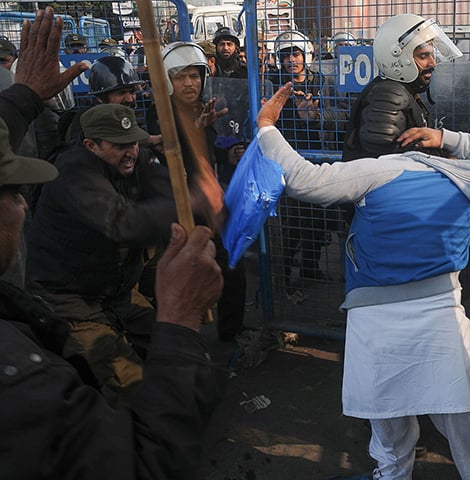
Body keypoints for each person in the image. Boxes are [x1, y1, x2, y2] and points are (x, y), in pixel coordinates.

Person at [259, 81, 470, 480]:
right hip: (443, 314)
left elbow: (302, 178)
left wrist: (267, 126)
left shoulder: (379, 170)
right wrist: (454, 139)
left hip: (374, 319)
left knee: (388, 415)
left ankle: (392, 475)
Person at [0, 9, 226, 479]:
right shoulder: (73, 174)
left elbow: (168, 184)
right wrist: (195, 196)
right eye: (118, 147)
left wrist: (194, 179)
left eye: (135, 145)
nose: (131, 154)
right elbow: (122, 224)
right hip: (72, 304)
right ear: (90, 145)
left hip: (118, 296)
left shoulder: (131, 158)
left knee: (194, 354)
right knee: (131, 385)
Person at [147, 40, 246, 342]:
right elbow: (170, 150)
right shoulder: (160, 115)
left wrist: (227, 155)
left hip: (209, 205)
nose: (189, 83)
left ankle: (230, 334)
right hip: (179, 208)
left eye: (195, 75)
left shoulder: (204, 109)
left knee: (232, 267)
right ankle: (180, 338)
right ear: (167, 79)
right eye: (180, 76)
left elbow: (204, 155)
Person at [269, 29, 349, 284]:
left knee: (317, 218)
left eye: (295, 53)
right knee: (290, 222)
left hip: (319, 159)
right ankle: (284, 275)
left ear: (306, 55)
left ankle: (310, 269)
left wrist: (317, 116)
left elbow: (343, 115)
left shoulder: (324, 83)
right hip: (285, 158)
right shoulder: (271, 84)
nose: (291, 60)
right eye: (285, 55)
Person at [341, 14, 461, 161]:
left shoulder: (401, 90)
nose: (432, 63)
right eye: (423, 56)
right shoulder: (388, 95)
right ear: (397, 59)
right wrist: (441, 159)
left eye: (432, 55)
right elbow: (385, 158)